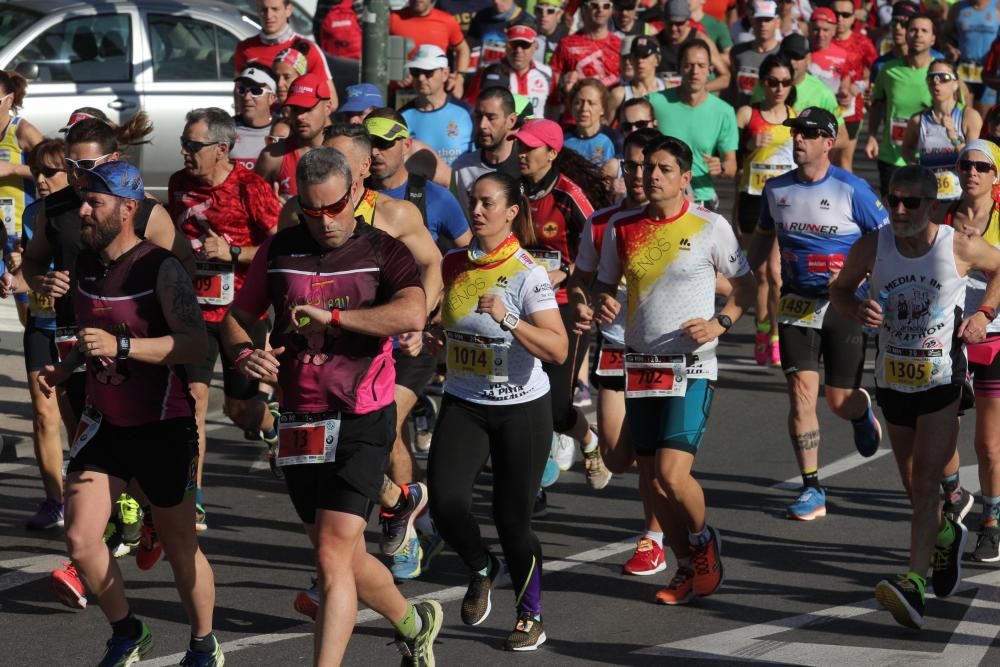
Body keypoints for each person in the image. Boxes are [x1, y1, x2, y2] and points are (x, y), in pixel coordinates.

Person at [221, 147, 443, 664]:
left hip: (363, 411)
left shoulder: (381, 248)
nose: (324, 222)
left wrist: (335, 321)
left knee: (330, 554)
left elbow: (411, 311)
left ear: (354, 195)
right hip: (300, 417)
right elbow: (236, 317)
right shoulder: (280, 250)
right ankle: (414, 624)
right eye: (311, 211)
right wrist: (246, 353)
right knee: (341, 553)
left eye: (335, 208)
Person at [37, 160, 223, 666]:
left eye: (94, 202)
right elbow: (84, 335)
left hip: (163, 424)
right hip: (106, 423)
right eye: (83, 201)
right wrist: (65, 367)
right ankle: (128, 631)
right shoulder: (87, 266)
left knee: (181, 548)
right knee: (79, 538)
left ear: (128, 209)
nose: (83, 211)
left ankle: (204, 644)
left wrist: (123, 346)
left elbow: (191, 344)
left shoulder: (158, 267)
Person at [278, 124, 445, 615]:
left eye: (343, 168)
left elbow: (433, 265)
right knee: (332, 458)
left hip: (388, 352)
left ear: (361, 173)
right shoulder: (302, 215)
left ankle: (372, 538)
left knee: (376, 433)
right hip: (317, 370)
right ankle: (396, 502)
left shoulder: (394, 215)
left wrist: (421, 319)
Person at [830, 164, 1000, 629]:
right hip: (892, 377)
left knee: (926, 480)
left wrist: (984, 312)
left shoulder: (957, 244)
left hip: (943, 377)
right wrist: (856, 307)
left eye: (912, 202)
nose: (900, 210)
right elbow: (839, 290)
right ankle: (946, 533)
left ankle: (913, 585)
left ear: (933, 205)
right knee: (912, 485)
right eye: (894, 200)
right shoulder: (873, 245)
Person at [592, 134, 756, 604]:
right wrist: (599, 304)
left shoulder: (711, 226)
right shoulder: (623, 228)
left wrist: (719, 323)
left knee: (671, 473)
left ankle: (704, 542)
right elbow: (604, 287)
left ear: (686, 178)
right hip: (640, 364)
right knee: (651, 479)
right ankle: (685, 565)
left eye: (663, 169)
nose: (652, 176)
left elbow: (744, 287)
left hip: (691, 366)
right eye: (647, 169)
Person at [427, 171, 567, 651]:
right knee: (444, 504)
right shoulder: (452, 265)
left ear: (511, 213)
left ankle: (531, 615)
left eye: (488, 203)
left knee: (512, 520)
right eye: (472, 201)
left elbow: (558, 348)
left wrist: (510, 318)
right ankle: (482, 566)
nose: (477, 211)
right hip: (465, 401)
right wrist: (429, 338)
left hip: (521, 409)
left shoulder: (528, 273)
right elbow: (447, 326)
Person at [747, 107, 887, 521]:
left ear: (829, 142)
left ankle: (860, 411)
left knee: (837, 401)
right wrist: (736, 273)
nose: (798, 139)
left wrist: (879, 293)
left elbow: (886, 243)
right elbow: (760, 242)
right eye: (795, 133)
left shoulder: (853, 189)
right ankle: (812, 487)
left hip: (844, 304)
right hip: (795, 303)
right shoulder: (775, 190)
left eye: (808, 134)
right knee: (800, 394)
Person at [168, 108, 281, 526]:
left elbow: (278, 248)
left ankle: (271, 428)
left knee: (240, 410)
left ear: (221, 149)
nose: (184, 152)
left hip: (241, 315)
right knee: (193, 404)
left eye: (192, 145)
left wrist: (232, 253)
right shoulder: (180, 185)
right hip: (192, 315)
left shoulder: (251, 187)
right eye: (184, 142)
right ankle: (192, 497)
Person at [570, 127, 669, 575]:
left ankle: (654, 537)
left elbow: (721, 282)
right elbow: (580, 281)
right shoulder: (603, 222)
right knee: (616, 456)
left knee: (650, 453)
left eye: (648, 166)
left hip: (663, 352)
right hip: (614, 344)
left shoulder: (686, 220)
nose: (639, 175)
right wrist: (591, 300)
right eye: (631, 166)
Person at [515, 118, 614, 501]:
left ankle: (588, 440)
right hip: (520, 304)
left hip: (565, 308)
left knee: (556, 408)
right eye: (519, 146)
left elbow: (602, 251)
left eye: (529, 147)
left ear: (551, 153)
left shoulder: (570, 196)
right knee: (518, 394)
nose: (521, 154)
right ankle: (533, 483)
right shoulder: (514, 190)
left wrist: (566, 272)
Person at [935, 140, 1000, 562]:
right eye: (966, 164)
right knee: (940, 434)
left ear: (996, 176)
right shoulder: (940, 216)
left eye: (982, 166)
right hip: (947, 339)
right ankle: (956, 494)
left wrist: (985, 312)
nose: (972, 172)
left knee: (990, 445)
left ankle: (992, 521)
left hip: (994, 336)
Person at [19, 140, 71, 530]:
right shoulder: (33, 213)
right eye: (36, 170)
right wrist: (19, 278)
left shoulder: (86, 211)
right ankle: (55, 499)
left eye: (49, 172)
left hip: (77, 327)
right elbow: (31, 269)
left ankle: (106, 494)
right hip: (41, 322)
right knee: (42, 413)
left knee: (80, 416)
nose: (39, 179)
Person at [734, 53, 795, 366]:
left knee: (775, 272)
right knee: (757, 272)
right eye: (773, 82)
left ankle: (774, 333)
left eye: (785, 82)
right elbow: (729, 152)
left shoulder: (796, 116)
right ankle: (760, 329)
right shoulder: (748, 113)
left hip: (782, 202)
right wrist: (750, 143)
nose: (779, 88)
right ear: (762, 83)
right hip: (752, 198)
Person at [647, 39, 739, 210]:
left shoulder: (724, 111)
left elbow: (731, 164)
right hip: (661, 197)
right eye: (689, 65)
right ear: (679, 68)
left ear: (710, 68)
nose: (695, 71)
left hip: (701, 199)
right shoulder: (655, 102)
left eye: (701, 65)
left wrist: (721, 166)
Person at [866, 12, 935, 195]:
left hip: (929, 158)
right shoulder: (888, 70)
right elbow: (877, 105)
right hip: (892, 158)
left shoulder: (940, 73)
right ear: (906, 35)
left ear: (933, 38)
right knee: (893, 214)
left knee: (927, 217)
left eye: (924, 31)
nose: (918, 34)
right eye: (913, 30)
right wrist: (872, 135)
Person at [902, 60, 982, 201]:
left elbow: (974, 160)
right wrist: (916, 166)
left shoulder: (969, 117)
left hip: (960, 198)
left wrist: (954, 137)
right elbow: (906, 149)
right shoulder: (917, 120)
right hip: (929, 198)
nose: (937, 82)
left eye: (944, 78)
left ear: (956, 83)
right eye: (932, 78)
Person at [234, 0, 334, 103]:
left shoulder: (307, 48)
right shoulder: (245, 47)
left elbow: (331, 101)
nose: (269, 15)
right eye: (264, 9)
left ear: (288, 10)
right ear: (258, 11)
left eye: (275, 9)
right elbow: (238, 94)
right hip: (260, 118)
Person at [256, 72, 334, 199]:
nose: (299, 117)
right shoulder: (272, 157)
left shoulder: (344, 152)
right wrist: (271, 211)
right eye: (295, 109)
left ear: (328, 107)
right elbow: (249, 207)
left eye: (307, 109)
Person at [400, 46, 475, 169]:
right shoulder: (402, 116)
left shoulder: (467, 113)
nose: (421, 78)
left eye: (428, 72)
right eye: (415, 71)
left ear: (445, 74)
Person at [452, 87, 523, 217]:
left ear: (511, 121)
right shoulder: (461, 168)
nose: (482, 125)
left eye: (491, 117)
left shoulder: (525, 165)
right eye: (478, 116)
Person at [465, 24, 553, 116]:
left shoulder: (547, 72)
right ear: (506, 46)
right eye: (513, 44)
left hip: (536, 129)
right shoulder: (488, 70)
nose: (518, 50)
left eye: (525, 45)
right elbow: (470, 105)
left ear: (535, 46)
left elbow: (553, 106)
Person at [830, 0, 877, 171]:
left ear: (853, 18)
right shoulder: (821, 39)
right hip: (824, 107)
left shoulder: (862, 42)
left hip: (850, 111)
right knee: (825, 161)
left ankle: (846, 198)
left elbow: (877, 72)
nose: (840, 19)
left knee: (843, 161)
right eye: (836, 14)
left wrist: (859, 87)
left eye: (845, 15)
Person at [391, 0, 471, 98]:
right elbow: (371, 55)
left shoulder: (447, 21)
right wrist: (392, 73)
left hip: (435, 95)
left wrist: (459, 79)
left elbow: (463, 49)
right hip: (398, 93)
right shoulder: (392, 19)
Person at [0, 70, 42, 256]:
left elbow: (56, 172)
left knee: (15, 284)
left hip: (16, 229)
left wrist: (13, 169)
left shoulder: (22, 131)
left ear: (9, 100)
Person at [550, 0, 623, 97]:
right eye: (594, 5)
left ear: (611, 10)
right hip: (576, 109)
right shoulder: (566, 44)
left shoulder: (620, 44)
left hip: (609, 109)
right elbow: (553, 82)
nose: (600, 10)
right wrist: (564, 84)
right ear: (583, 9)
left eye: (606, 6)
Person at [655, 0, 730, 93]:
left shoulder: (700, 40)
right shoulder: (655, 42)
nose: (673, 28)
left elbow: (725, 78)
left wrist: (699, 90)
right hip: (665, 100)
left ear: (688, 21)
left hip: (695, 101)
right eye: (670, 23)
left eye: (679, 24)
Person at [942, 0, 1000, 113]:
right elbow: (944, 36)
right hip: (963, 69)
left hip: (988, 72)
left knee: (984, 118)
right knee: (962, 115)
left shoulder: (997, 6)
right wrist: (949, 48)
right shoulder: (957, 8)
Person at [727, 0, 781, 110]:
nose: (763, 24)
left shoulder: (783, 53)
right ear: (752, 21)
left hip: (771, 120)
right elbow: (732, 88)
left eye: (768, 20)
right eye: (759, 19)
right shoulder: (737, 52)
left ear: (777, 22)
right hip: (741, 118)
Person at [564, 78, 622, 177]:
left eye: (591, 103)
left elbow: (630, 166)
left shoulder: (615, 138)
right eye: (578, 102)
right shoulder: (561, 138)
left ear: (603, 109)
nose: (584, 108)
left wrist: (619, 168)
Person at [608, 36, 666, 120]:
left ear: (657, 59)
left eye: (645, 56)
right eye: (636, 56)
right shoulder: (618, 94)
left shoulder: (671, 89)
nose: (639, 61)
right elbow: (603, 127)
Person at [231, 66, 278, 170]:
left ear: (272, 98)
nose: (246, 97)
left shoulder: (283, 130)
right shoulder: (225, 128)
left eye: (256, 91)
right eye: (242, 90)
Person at [467, 0, 533, 69]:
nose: (496, 1)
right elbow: (469, 47)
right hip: (485, 73)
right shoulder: (481, 16)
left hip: (513, 74)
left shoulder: (527, 20)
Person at [533, 0, 569, 66]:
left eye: (550, 11)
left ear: (559, 14)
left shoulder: (567, 38)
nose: (543, 15)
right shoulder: (528, 34)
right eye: (539, 10)